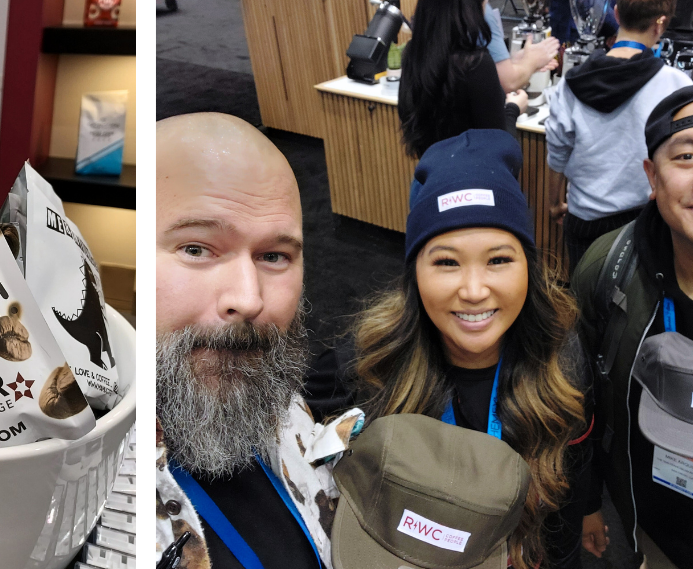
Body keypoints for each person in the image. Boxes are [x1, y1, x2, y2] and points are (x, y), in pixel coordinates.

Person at [350, 129, 595, 569]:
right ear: (415, 274)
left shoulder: (563, 357)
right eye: (446, 262)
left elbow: (575, 476)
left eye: (499, 259)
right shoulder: (375, 363)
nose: (475, 290)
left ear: (529, 268)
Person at [155, 113, 349, 569]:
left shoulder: (286, 404)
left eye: (274, 256)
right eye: (196, 249)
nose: (248, 298)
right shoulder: (78, 498)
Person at [573, 81, 693, 569]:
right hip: (642, 528)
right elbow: (579, 401)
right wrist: (588, 501)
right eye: (686, 157)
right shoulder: (608, 267)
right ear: (653, 178)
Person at [546, 0, 692, 274]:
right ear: (661, 22)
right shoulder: (676, 85)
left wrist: (554, 203)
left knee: (584, 306)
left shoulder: (569, 83)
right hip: (644, 224)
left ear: (616, 13)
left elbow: (557, 153)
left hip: (583, 220)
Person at [398, 0, 527, 158]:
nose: (485, 3)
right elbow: (501, 151)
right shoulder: (476, 65)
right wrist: (512, 109)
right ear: (469, 6)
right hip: (472, 184)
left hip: (428, 181)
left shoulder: (413, 54)